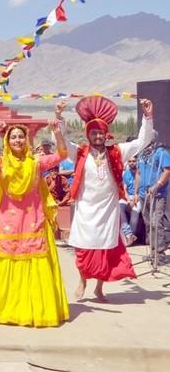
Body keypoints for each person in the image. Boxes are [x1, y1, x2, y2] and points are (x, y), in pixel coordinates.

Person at [57, 97, 154, 302]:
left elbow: (141, 141)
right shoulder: (81, 152)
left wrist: (148, 116)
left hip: (108, 208)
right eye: (94, 132)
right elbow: (64, 142)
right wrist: (59, 118)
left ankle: (99, 288)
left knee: (105, 249)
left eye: (101, 132)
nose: (98, 136)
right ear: (88, 134)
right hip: (85, 207)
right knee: (84, 248)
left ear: (106, 133)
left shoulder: (117, 152)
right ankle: (83, 281)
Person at [0, 120, 69, 327]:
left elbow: (62, 155)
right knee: (10, 259)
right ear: (7, 141)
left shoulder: (36, 162)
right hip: (9, 221)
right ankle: (8, 310)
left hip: (34, 220)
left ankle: (38, 310)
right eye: (13, 137)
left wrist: (57, 133)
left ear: (27, 140)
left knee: (35, 260)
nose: (18, 140)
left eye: (21, 136)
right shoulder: (0, 162)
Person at [137, 140, 170, 259]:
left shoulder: (161, 153)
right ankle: (152, 251)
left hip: (157, 194)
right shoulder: (141, 154)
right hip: (143, 194)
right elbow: (138, 173)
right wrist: (136, 192)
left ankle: (160, 252)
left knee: (156, 222)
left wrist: (157, 185)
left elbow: (168, 170)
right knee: (148, 223)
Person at [120, 156, 141, 246]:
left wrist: (136, 199)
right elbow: (124, 189)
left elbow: (143, 189)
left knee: (135, 212)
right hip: (128, 196)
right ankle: (129, 234)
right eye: (130, 161)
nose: (132, 163)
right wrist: (128, 200)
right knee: (119, 208)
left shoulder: (141, 172)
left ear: (137, 161)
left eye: (134, 161)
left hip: (139, 197)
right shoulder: (126, 173)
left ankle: (131, 237)